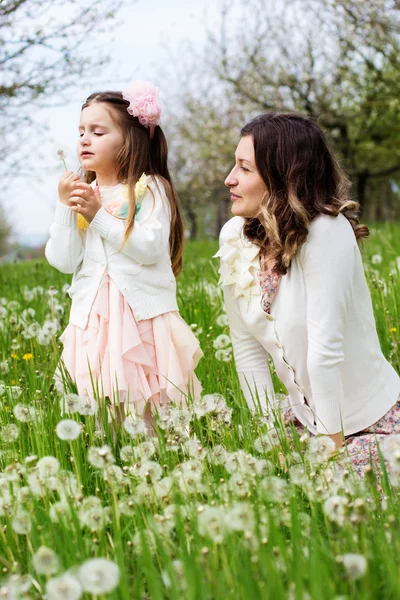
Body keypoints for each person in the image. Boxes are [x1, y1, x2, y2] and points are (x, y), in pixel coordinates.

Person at [216, 112, 400, 475]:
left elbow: (324, 352)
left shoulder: (327, 233)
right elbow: (247, 349)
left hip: (364, 420)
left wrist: (331, 450)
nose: (229, 179)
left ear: (283, 176)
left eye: (245, 168)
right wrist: (272, 440)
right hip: (305, 418)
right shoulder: (234, 236)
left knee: (349, 489)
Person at [45, 81, 203, 428]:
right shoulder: (84, 194)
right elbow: (64, 260)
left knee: (147, 403)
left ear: (129, 141)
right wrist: (64, 208)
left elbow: (148, 248)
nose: (84, 139)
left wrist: (98, 216)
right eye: (81, 131)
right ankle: (110, 458)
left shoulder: (149, 189)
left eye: (98, 132)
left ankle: (155, 460)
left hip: (139, 319)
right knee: (100, 407)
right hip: (93, 322)